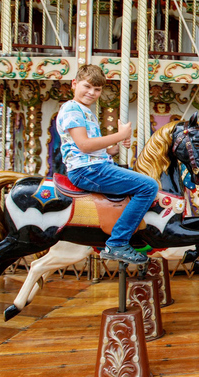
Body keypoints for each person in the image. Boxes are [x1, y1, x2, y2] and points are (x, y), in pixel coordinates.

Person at [57, 65, 159, 265]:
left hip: (93, 166)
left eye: (97, 89)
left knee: (140, 176)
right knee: (149, 186)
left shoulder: (85, 111)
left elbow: (93, 149)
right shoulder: (71, 108)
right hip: (87, 170)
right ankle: (118, 242)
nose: (91, 93)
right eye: (87, 87)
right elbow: (84, 145)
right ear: (74, 84)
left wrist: (116, 147)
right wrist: (119, 135)